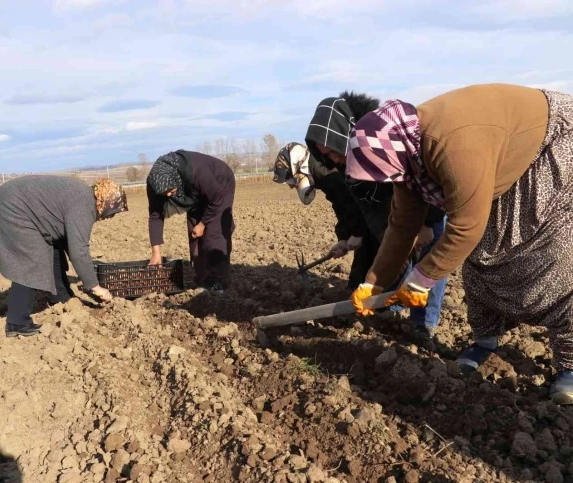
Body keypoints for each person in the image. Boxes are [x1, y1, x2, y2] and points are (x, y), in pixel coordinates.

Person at [345, 83, 573, 404]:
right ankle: (485, 340)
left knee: (547, 257)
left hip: (551, 141)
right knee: (483, 257)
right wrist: (373, 284)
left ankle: (570, 364)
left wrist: (419, 281)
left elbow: (466, 227)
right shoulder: (406, 153)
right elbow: (401, 227)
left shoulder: (452, 146)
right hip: (497, 153)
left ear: (390, 152)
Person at [274, 91, 448, 339]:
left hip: (422, 208)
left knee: (427, 266)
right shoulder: (346, 166)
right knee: (400, 265)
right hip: (394, 219)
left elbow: (420, 178)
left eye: (333, 151)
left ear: (342, 134)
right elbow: (355, 206)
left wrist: (428, 222)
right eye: (327, 156)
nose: (334, 159)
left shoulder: (380, 144)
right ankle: (394, 308)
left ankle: (423, 327)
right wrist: (352, 236)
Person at [0, 176, 127, 337]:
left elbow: (66, 242)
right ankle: (17, 322)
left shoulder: (84, 196)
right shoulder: (84, 206)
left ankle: (61, 296)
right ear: (106, 203)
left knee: (54, 246)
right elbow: (79, 251)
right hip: (13, 207)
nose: (111, 216)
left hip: (13, 200)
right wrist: (95, 287)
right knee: (31, 262)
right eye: (113, 211)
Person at [147, 150, 235, 293]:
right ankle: (202, 279)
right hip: (193, 191)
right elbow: (155, 216)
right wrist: (156, 252)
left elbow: (216, 199)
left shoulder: (198, 172)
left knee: (214, 232)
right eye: (165, 193)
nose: (169, 195)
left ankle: (218, 281)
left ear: (176, 179)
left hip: (219, 184)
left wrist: (203, 223)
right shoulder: (156, 182)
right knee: (194, 234)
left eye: (171, 190)